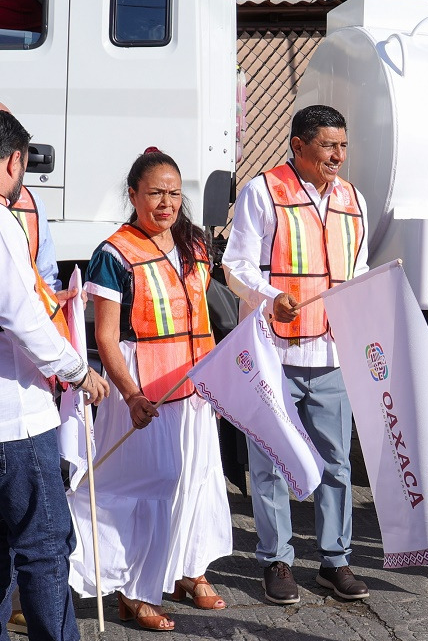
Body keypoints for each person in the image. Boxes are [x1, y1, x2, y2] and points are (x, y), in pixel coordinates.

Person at [67, 148, 232, 632]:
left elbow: (204, 317)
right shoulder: (113, 254)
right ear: (133, 195)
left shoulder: (195, 245)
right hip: (143, 390)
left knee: (197, 479)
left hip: (194, 387)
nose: (166, 203)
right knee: (145, 485)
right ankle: (132, 591)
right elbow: (105, 337)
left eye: (175, 193)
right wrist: (132, 394)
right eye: (156, 193)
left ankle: (188, 570)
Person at [223, 105, 371, 603]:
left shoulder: (354, 199)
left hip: (331, 355)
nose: (338, 156)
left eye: (343, 146)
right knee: (268, 463)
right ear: (299, 145)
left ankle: (335, 561)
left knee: (337, 463)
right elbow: (235, 265)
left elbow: (359, 267)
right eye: (328, 146)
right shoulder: (263, 192)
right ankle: (277, 561)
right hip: (274, 356)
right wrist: (268, 299)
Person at [0, 110, 109, 641]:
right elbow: (19, 316)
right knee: (44, 549)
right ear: (15, 161)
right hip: (15, 420)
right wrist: (76, 369)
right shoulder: (2, 222)